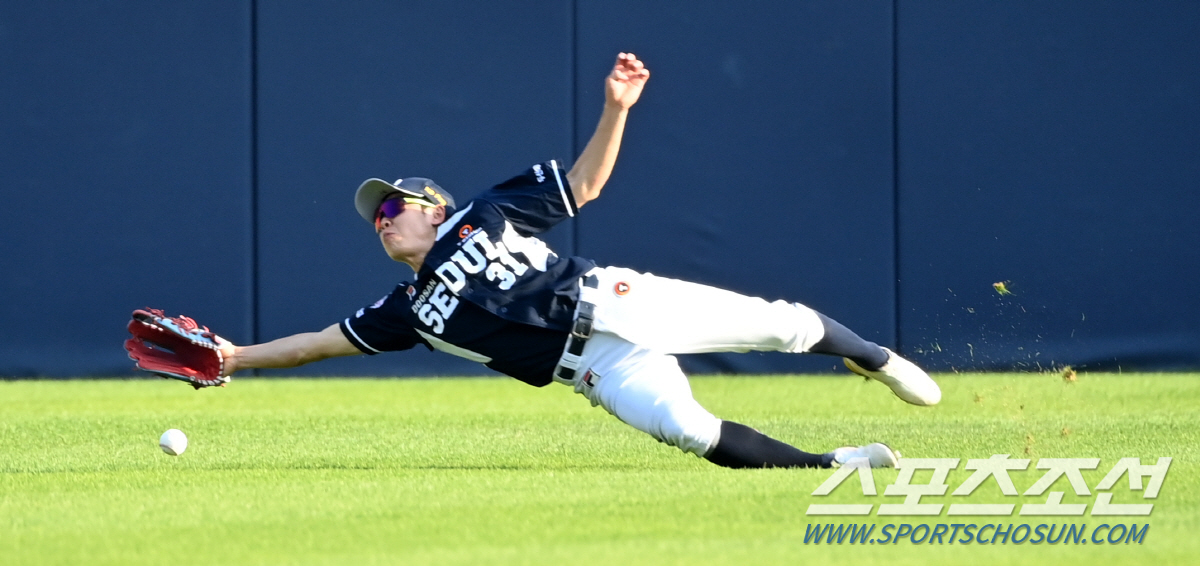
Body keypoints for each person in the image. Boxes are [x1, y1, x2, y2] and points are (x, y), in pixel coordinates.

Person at [216, 53, 940, 469]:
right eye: (375, 216)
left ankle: (874, 357)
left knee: (777, 327)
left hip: (617, 299)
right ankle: (834, 466)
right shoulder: (403, 311)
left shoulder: (482, 213)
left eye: (392, 206)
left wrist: (617, 107)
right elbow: (314, 345)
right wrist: (234, 357)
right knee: (689, 431)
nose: (382, 220)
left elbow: (586, 186)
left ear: (433, 206)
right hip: (592, 369)